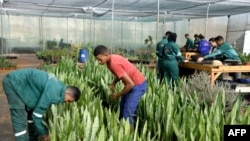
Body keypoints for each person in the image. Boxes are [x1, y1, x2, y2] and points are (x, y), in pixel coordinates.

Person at [2, 68, 81, 141]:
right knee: (19, 118)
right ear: (67, 93)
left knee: (32, 112)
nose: (67, 103)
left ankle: (32, 139)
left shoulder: (60, 88)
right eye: (69, 100)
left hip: (24, 84)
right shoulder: (53, 92)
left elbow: (36, 112)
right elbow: (36, 116)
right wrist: (45, 134)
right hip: (14, 82)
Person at [93, 45, 147, 130]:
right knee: (122, 108)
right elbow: (122, 73)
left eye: (100, 59)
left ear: (106, 54)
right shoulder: (112, 58)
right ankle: (123, 132)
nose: (99, 62)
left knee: (127, 114)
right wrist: (113, 83)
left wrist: (118, 95)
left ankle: (130, 136)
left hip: (137, 86)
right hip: (132, 84)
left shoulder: (114, 64)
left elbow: (130, 84)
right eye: (97, 60)